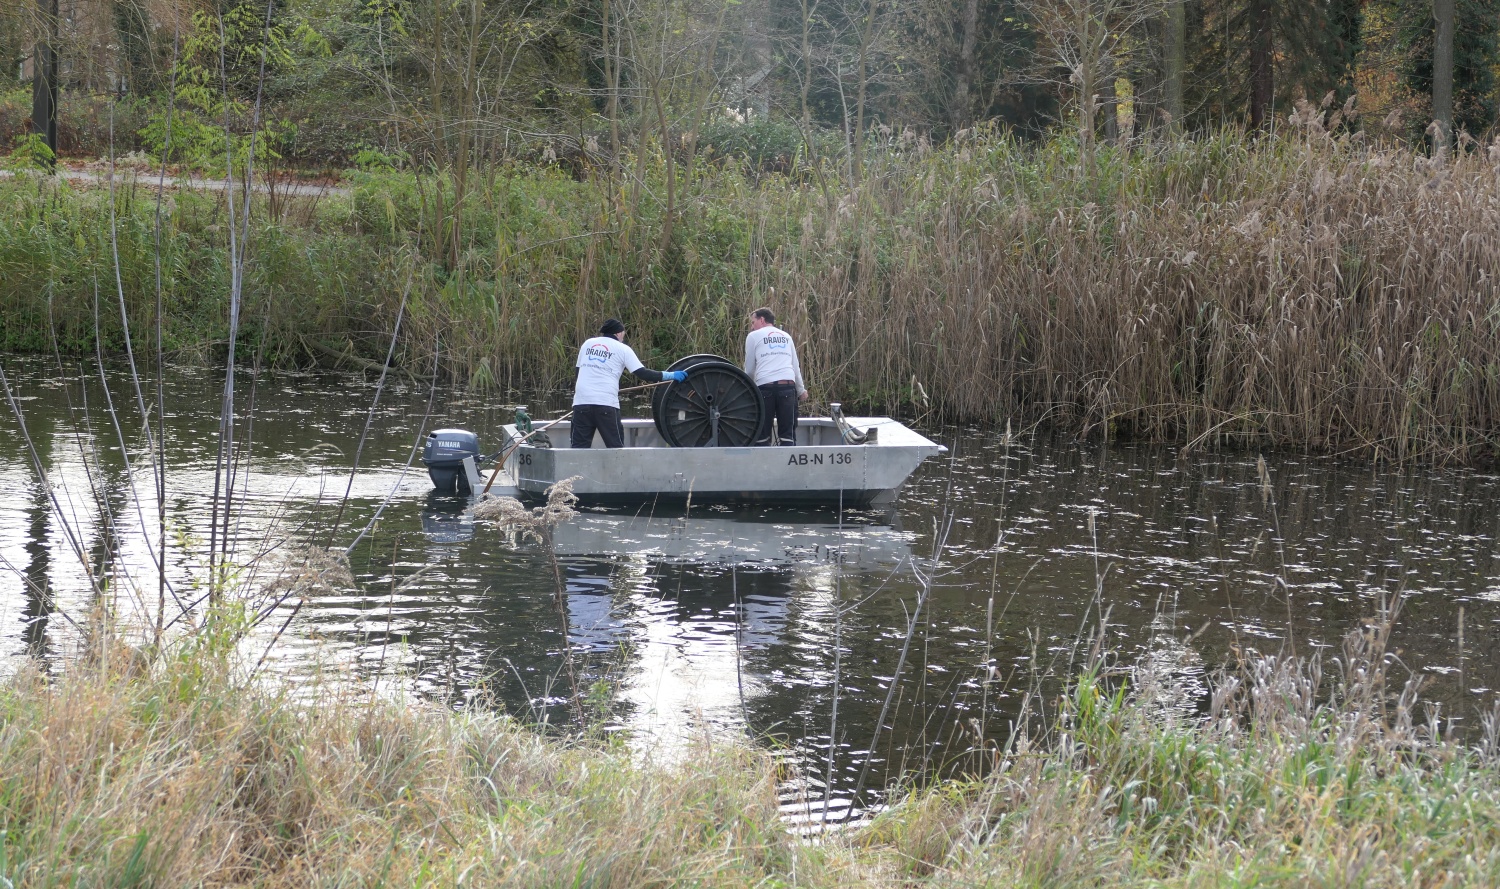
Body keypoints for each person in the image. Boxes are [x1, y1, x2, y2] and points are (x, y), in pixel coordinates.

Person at [571, 318, 688, 448]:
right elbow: (643, 373)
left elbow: (578, 372)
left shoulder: (587, 344)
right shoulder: (623, 349)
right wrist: (670, 375)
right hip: (606, 404)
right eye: (623, 334)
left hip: (581, 403)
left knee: (578, 449)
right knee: (616, 449)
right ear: (618, 333)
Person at [743, 307, 808, 446]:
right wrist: (801, 390)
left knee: (762, 435)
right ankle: (788, 464)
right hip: (788, 387)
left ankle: (764, 463)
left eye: (753, 322)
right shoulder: (786, 336)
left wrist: (748, 390)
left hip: (765, 387)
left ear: (761, 320)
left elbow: (749, 370)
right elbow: (795, 366)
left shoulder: (753, 336)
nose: (751, 326)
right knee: (787, 435)